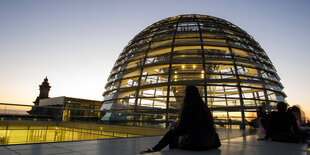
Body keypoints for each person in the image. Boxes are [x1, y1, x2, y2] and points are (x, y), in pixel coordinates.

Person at [140, 86, 221, 154]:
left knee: (172, 133)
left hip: (193, 144)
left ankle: (154, 150)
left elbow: (180, 129)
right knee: (173, 132)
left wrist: (174, 128)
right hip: (207, 143)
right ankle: (155, 149)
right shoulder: (205, 108)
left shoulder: (187, 106)